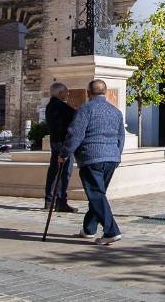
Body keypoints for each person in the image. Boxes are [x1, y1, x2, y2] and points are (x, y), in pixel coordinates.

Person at [60, 79, 126, 245]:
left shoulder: (85, 109)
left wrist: (64, 153)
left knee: (96, 194)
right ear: (105, 92)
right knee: (98, 194)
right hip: (111, 158)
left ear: (88, 93)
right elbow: (121, 137)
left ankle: (111, 231)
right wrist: (117, 155)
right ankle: (89, 229)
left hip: (91, 157)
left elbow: (76, 134)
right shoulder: (116, 112)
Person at [44, 82, 77, 213]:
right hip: (63, 144)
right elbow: (76, 117)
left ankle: (49, 201)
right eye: (66, 92)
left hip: (55, 143)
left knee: (54, 172)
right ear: (60, 93)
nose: (68, 94)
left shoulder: (50, 106)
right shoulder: (61, 107)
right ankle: (60, 201)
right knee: (64, 174)